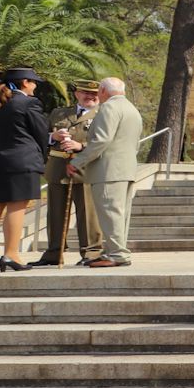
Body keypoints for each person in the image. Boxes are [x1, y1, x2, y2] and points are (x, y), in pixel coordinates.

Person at [0, 67, 49, 272]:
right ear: (25, 82)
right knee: (17, 207)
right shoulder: (28, 103)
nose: (35, 86)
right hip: (21, 161)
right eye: (33, 82)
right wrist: (44, 156)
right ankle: (11, 254)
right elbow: (40, 133)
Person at [66, 77, 143, 269]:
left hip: (108, 170)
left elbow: (101, 141)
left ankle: (117, 254)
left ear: (102, 91)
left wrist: (78, 161)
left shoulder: (108, 108)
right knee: (118, 214)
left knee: (111, 212)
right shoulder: (132, 109)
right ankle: (114, 251)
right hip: (125, 168)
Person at [34, 80, 102, 267]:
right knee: (55, 213)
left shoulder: (104, 114)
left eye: (94, 93)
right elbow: (42, 135)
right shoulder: (59, 113)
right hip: (57, 167)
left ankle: (92, 252)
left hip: (87, 168)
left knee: (87, 212)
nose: (90, 97)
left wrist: (81, 146)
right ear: (76, 94)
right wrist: (52, 137)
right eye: (85, 93)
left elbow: (107, 141)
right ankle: (54, 252)